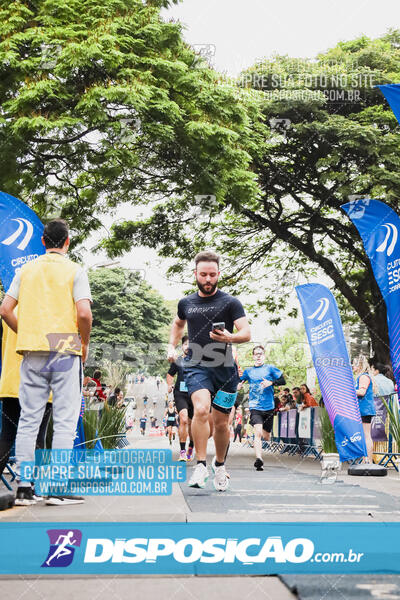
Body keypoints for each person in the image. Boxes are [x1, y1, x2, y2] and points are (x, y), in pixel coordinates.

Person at [0, 218, 92, 506]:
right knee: (64, 420)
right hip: (64, 344)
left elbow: (5, 309)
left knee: (28, 419)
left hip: (31, 347)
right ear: (67, 242)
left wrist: (27, 332)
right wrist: (84, 343)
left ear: (43, 241)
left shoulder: (25, 270)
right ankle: (57, 488)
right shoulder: (75, 270)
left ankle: (24, 489)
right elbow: (85, 315)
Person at [167, 250, 251, 491]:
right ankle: (201, 465)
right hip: (196, 364)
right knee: (201, 409)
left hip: (225, 369)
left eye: (212, 275)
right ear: (195, 274)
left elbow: (246, 333)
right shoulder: (186, 303)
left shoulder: (231, 303)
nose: (207, 279)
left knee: (222, 424)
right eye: (203, 274)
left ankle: (220, 465)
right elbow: (178, 323)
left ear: (218, 274)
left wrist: (230, 338)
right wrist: (171, 346)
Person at [239, 345, 285, 471]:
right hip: (255, 406)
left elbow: (282, 380)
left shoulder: (270, 368)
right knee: (258, 433)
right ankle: (259, 459)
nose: (258, 355)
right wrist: (238, 384)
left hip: (269, 406)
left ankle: (260, 454)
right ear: (253, 356)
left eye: (260, 353)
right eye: (256, 354)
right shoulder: (249, 371)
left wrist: (271, 382)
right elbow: (240, 380)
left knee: (266, 435)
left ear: (264, 355)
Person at [166, 335, 195, 461]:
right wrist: (169, 384)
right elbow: (170, 374)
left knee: (193, 423)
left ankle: (191, 447)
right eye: (185, 344)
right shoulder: (178, 360)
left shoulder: (199, 361)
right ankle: (182, 451)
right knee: (183, 419)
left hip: (195, 394)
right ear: (182, 346)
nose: (188, 346)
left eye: (190, 344)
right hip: (180, 394)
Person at [353, 355, 377, 463]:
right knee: (364, 435)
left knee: (367, 435)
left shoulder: (363, 377)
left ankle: (368, 461)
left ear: (360, 365)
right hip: (363, 409)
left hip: (364, 409)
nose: (352, 366)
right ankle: (365, 460)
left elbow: (362, 392)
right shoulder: (361, 376)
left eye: (354, 364)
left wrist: (349, 390)